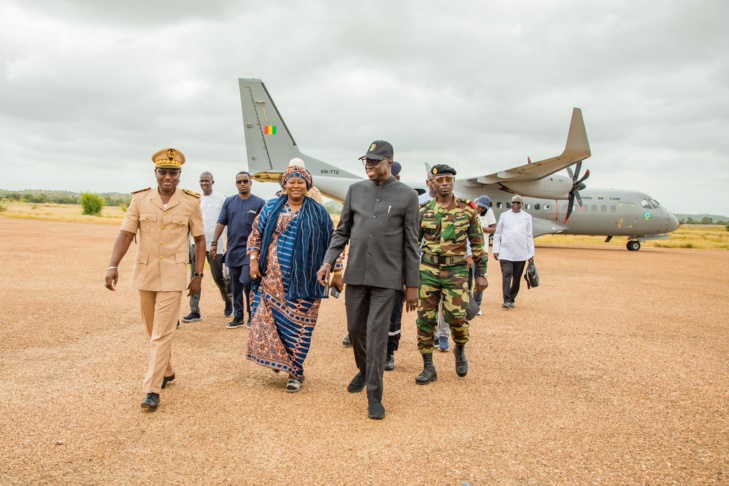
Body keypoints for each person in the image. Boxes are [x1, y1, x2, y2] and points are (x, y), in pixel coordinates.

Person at [317, 141, 420, 420]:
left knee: (376, 336)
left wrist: (412, 285)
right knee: (355, 329)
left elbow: (412, 244)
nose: (369, 165)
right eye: (366, 160)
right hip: (357, 275)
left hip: (387, 279)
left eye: (375, 160)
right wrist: (328, 262)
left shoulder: (408, 196)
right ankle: (363, 369)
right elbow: (342, 233)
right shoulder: (355, 191)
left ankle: (375, 394)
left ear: (389, 161)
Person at [104, 148, 205, 412]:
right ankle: (168, 369)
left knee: (161, 333)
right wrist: (113, 265)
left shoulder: (191, 202)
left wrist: (198, 275)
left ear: (180, 176)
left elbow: (200, 239)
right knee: (152, 332)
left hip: (173, 276)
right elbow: (126, 234)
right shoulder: (140, 199)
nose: (168, 177)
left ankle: (152, 389)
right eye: (163, 172)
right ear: (156, 174)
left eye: (173, 173)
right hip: (146, 274)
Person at [245, 165, 343, 392]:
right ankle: (279, 358)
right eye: (291, 181)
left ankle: (295, 372)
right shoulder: (271, 207)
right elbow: (256, 234)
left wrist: (337, 272)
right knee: (269, 321)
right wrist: (253, 260)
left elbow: (333, 242)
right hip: (271, 280)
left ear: (308, 186)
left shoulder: (319, 212)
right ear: (284, 185)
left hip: (307, 282)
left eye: (300, 182)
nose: (296, 186)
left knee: (299, 328)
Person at [416, 164, 488, 385]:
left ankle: (460, 348)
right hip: (428, 270)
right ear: (431, 183)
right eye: (440, 180)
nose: (445, 183)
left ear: (453, 182)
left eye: (449, 179)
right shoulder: (424, 211)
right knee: (425, 319)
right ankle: (428, 366)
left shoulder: (468, 210)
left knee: (457, 317)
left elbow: (478, 244)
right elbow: (411, 244)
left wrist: (481, 275)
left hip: (455, 271)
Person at [209, 172, 265, 328]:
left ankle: (251, 315)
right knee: (234, 285)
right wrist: (214, 243)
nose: (242, 184)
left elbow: (264, 228)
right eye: (239, 182)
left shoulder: (259, 203)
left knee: (247, 281)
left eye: (245, 181)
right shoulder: (229, 202)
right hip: (233, 250)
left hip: (250, 251)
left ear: (250, 183)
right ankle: (238, 316)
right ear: (236, 184)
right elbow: (221, 223)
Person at [182, 171, 232, 323]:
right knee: (195, 276)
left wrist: (228, 244)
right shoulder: (195, 200)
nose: (204, 183)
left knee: (218, 277)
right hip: (195, 244)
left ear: (213, 182)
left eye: (207, 181)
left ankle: (228, 300)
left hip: (214, 245)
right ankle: (194, 311)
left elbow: (226, 223)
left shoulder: (222, 200)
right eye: (202, 181)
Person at [493, 194, 535, 309]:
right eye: (513, 202)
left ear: (522, 204)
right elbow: (498, 234)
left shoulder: (527, 217)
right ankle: (506, 299)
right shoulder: (504, 215)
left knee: (517, 277)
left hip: (521, 253)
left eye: (518, 203)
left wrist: (531, 253)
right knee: (507, 275)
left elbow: (529, 235)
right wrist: (496, 250)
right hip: (505, 252)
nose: (515, 205)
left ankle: (512, 298)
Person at [471, 195, 497, 312]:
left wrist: (480, 228)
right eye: (479, 206)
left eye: (483, 208)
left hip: (482, 251)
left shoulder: (488, 213)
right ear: (476, 203)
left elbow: (493, 229)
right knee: (466, 279)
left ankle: (477, 305)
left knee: (480, 278)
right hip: (469, 252)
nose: (480, 209)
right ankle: (466, 305)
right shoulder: (469, 210)